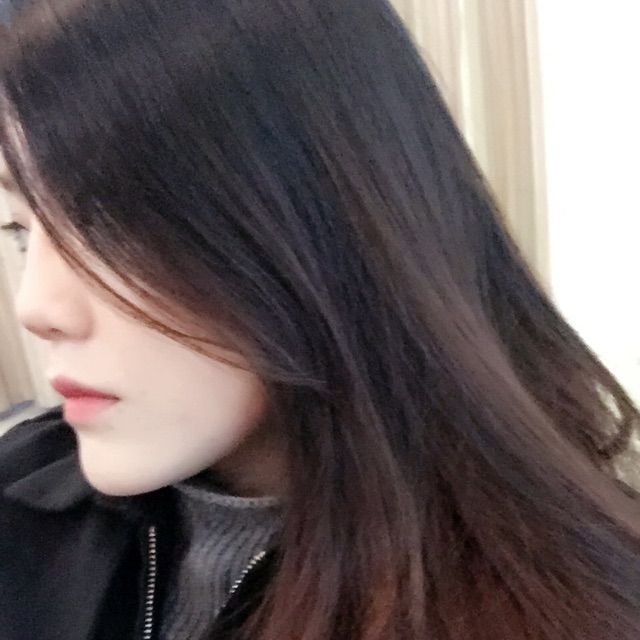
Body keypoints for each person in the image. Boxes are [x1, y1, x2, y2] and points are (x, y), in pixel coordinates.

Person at [1, 1, 640, 639]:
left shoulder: (575, 606)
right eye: (22, 231)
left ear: (326, 227)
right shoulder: (22, 492)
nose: (36, 308)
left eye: (109, 227)